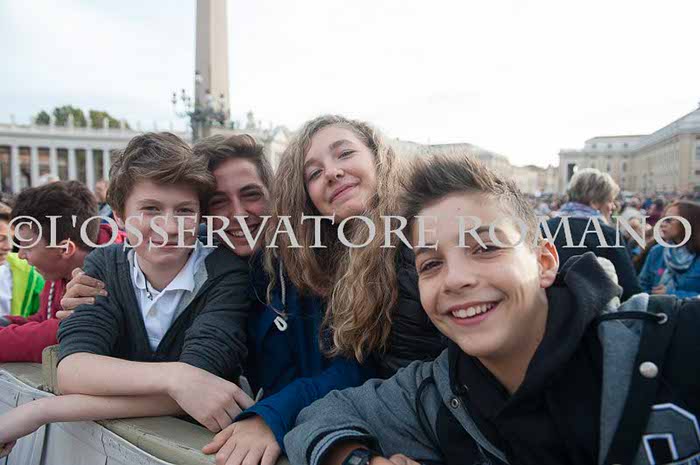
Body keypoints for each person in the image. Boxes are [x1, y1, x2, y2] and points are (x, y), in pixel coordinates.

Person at [285, 152, 700, 465]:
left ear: (544, 261)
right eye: (431, 264)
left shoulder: (677, 340)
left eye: (485, 247)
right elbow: (319, 417)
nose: (455, 279)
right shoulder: (432, 394)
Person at [0, 132, 254, 455]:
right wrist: (175, 377)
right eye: (150, 209)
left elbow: (201, 387)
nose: (169, 227)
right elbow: (74, 369)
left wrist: (43, 411)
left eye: (184, 211)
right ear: (119, 216)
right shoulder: (104, 263)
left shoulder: (226, 272)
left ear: (200, 216)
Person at [0, 181, 121, 363]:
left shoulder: (110, 277)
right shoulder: (59, 269)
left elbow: (66, 331)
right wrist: (7, 322)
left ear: (65, 249)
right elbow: (44, 319)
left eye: (27, 246)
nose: (20, 255)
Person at [547, 167, 642, 301]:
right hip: (593, 312)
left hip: (546, 309)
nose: (613, 206)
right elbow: (631, 291)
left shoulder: (543, 228)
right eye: (610, 200)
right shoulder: (608, 235)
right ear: (594, 202)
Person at [639, 200, 700, 298]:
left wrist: (672, 294)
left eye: (669, 220)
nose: (662, 224)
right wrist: (651, 298)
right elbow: (642, 285)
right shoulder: (657, 251)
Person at [0, 203, 44, 319]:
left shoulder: (31, 273)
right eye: (1, 239)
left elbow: (42, 318)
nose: (8, 247)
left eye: (12, 238)